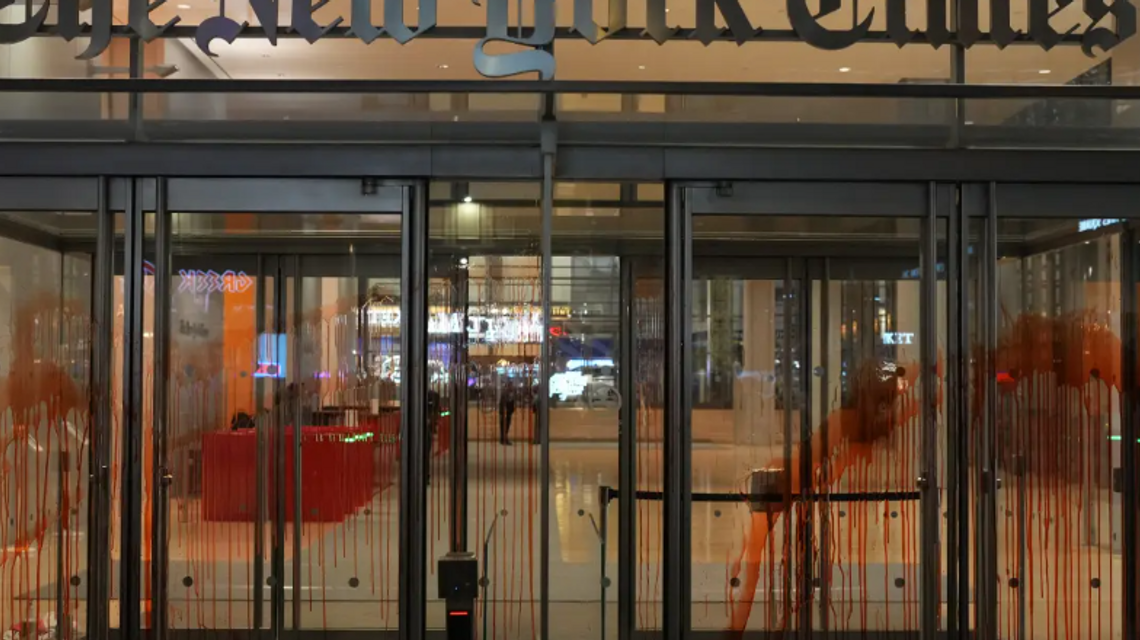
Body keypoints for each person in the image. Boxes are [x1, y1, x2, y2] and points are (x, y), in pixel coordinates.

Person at [425, 387, 441, 484]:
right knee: (425, 453)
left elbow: (436, 411)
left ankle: (425, 476)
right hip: (427, 428)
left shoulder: (433, 396)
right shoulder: (433, 395)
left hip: (427, 429)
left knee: (426, 452)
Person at [497, 377, 516, 445]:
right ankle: (504, 439)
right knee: (504, 426)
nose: (512, 386)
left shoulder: (510, 392)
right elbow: (504, 403)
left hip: (507, 412)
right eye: (511, 385)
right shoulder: (505, 392)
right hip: (504, 413)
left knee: (505, 426)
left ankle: (503, 439)